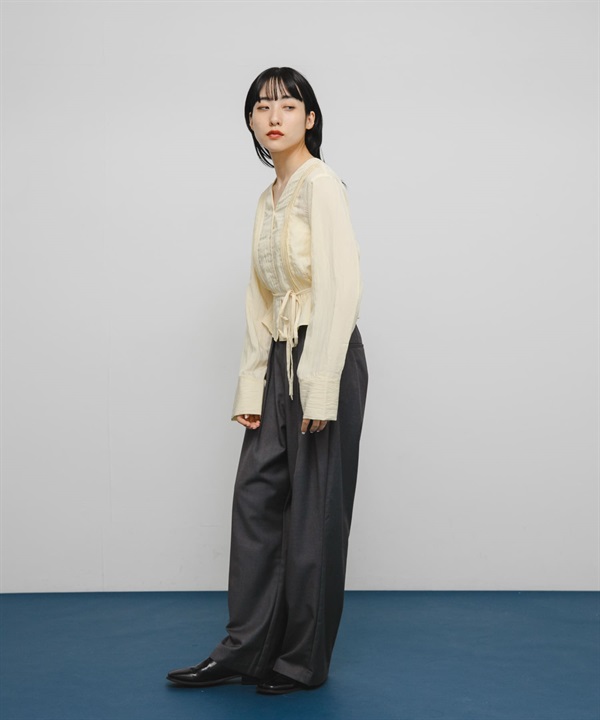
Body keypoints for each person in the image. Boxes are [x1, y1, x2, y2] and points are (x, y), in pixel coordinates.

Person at [166, 66, 368, 695]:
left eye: (287, 104)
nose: (273, 116)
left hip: (322, 354)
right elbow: (260, 299)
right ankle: (245, 650)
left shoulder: (321, 185)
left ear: (310, 117)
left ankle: (302, 660)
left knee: (313, 517)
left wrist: (322, 384)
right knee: (255, 502)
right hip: (278, 358)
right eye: (260, 106)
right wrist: (250, 388)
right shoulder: (268, 198)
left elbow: (341, 286)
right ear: (251, 121)